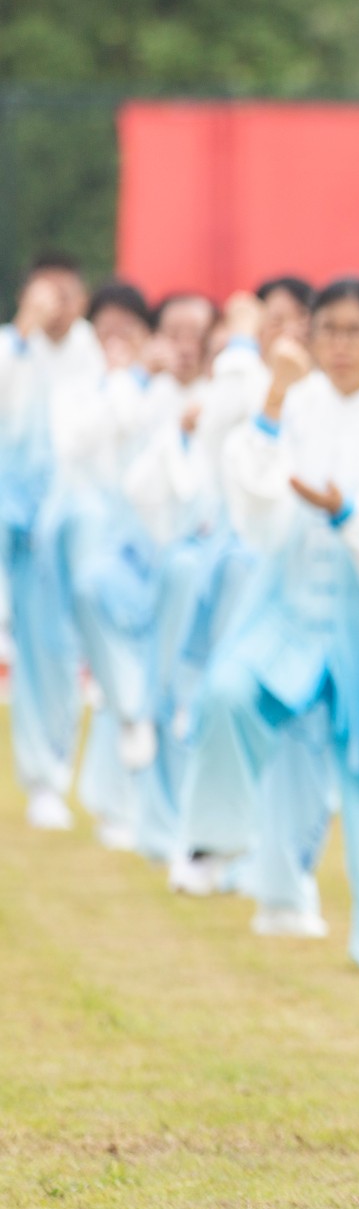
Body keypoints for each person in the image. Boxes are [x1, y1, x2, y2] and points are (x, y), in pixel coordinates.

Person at [173, 278, 359, 966]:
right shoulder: (291, 405)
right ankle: (222, 847)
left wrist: (349, 512)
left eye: (356, 331)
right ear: (310, 338)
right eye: (329, 330)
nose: (342, 345)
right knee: (231, 692)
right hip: (291, 609)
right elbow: (253, 505)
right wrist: (272, 397)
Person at [125, 282, 303, 868]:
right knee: (177, 695)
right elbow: (156, 490)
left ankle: (243, 852)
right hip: (196, 572)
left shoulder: (295, 400)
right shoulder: (215, 394)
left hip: (262, 583)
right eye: (268, 322)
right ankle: (170, 831)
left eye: (290, 322)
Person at [49, 286, 217, 852]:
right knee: (118, 657)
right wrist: (137, 378)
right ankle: (120, 779)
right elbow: (88, 446)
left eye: (196, 335)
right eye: (173, 333)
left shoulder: (222, 401)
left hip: (194, 569)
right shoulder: (139, 393)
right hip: (135, 556)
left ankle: (173, 821)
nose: (184, 346)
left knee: (176, 687)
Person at [0, 254, 102, 830]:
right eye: (42, 294)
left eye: (63, 295)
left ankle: (74, 774)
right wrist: (22, 331)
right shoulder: (13, 347)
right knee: (38, 653)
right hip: (22, 527)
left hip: (80, 529)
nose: (53, 307)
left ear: (81, 300)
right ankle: (44, 777)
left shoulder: (97, 354)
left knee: (68, 652)